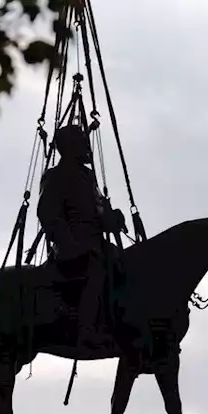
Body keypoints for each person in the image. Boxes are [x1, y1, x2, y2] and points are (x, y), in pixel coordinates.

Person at [37, 123, 124, 348]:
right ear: (69, 147)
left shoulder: (87, 176)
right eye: (83, 143)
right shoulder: (56, 176)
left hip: (96, 245)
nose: (88, 148)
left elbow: (98, 212)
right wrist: (68, 241)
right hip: (71, 247)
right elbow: (47, 213)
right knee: (97, 270)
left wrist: (112, 218)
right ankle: (86, 330)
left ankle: (118, 322)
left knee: (125, 266)